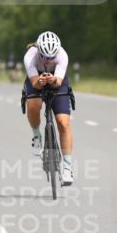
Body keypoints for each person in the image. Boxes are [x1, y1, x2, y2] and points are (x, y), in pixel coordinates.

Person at [24, 31, 74, 186]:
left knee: (63, 122)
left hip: (57, 79)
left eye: (51, 58)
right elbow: (35, 84)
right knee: (33, 104)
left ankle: (67, 168)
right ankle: (37, 136)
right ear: (38, 51)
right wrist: (40, 81)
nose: (47, 61)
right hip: (36, 79)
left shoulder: (62, 55)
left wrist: (52, 80)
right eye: (44, 57)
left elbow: (58, 82)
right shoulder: (30, 56)